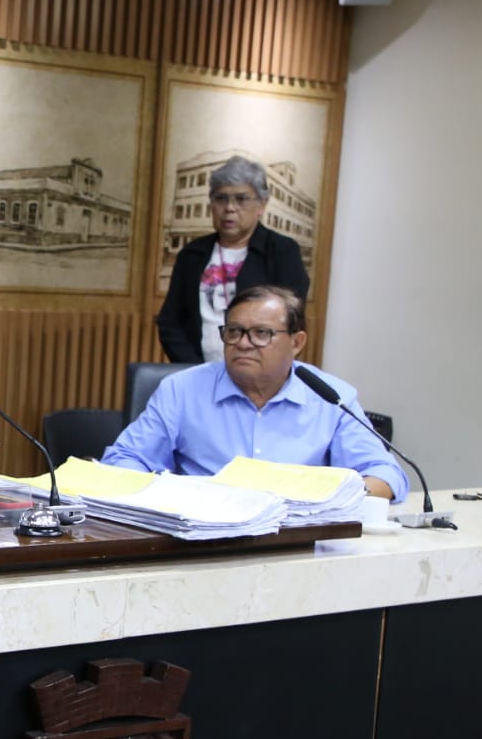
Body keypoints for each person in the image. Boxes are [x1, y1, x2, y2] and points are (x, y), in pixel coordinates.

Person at [104, 285, 408, 501]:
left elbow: (386, 475)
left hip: (299, 539)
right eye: (234, 331)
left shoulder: (331, 397)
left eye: (262, 333)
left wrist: (334, 499)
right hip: (201, 535)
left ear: (297, 342)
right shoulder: (182, 390)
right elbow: (124, 459)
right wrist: (166, 497)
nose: (243, 343)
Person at [157, 155, 311, 364]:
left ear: (262, 204)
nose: (229, 208)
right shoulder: (191, 254)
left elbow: (289, 321)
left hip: (258, 369)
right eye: (221, 198)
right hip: (196, 370)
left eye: (241, 199)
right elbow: (170, 322)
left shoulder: (282, 252)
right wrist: (193, 370)